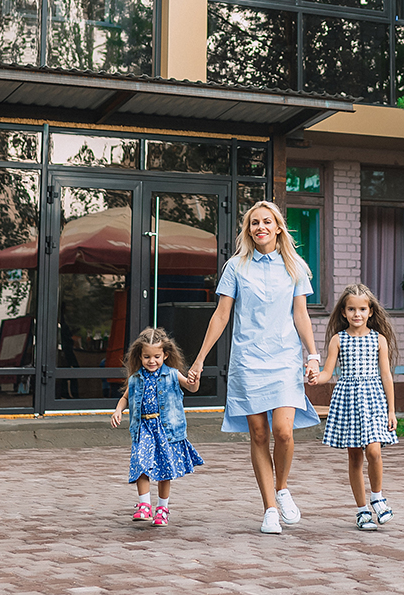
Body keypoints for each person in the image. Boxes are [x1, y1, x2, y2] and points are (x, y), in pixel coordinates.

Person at [187, 200, 321, 535]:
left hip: (285, 359)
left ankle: (283, 487)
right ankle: (270, 508)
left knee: (284, 431)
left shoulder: (295, 267)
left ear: (278, 227)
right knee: (259, 434)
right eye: (253, 223)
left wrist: (314, 354)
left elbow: (301, 315)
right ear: (248, 230)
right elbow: (221, 315)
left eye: (266, 222)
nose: (260, 227)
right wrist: (200, 358)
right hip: (248, 360)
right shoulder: (235, 267)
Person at [311, 283, 399, 530]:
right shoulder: (337, 340)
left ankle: (377, 497)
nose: (357, 314)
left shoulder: (378, 339)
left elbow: (386, 375)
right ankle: (362, 511)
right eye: (351, 309)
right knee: (354, 456)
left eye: (362, 309)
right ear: (343, 312)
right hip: (347, 400)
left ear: (370, 311)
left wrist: (392, 409)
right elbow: (327, 373)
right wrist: (313, 377)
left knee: (374, 451)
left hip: (373, 400)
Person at [111, 327, 203, 527]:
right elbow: (125, 398)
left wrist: (195, 380)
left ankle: (162, 509)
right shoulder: (136, 379)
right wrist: (118, 411)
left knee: (164, 469)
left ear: (165, 355)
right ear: (140, 356)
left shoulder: (172, 374)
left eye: (156, 356)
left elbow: (190, 386)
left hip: (165, 430)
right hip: (144, 427)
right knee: (141, 465)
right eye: (146, 357)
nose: (151, 361)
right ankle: (144, 505)